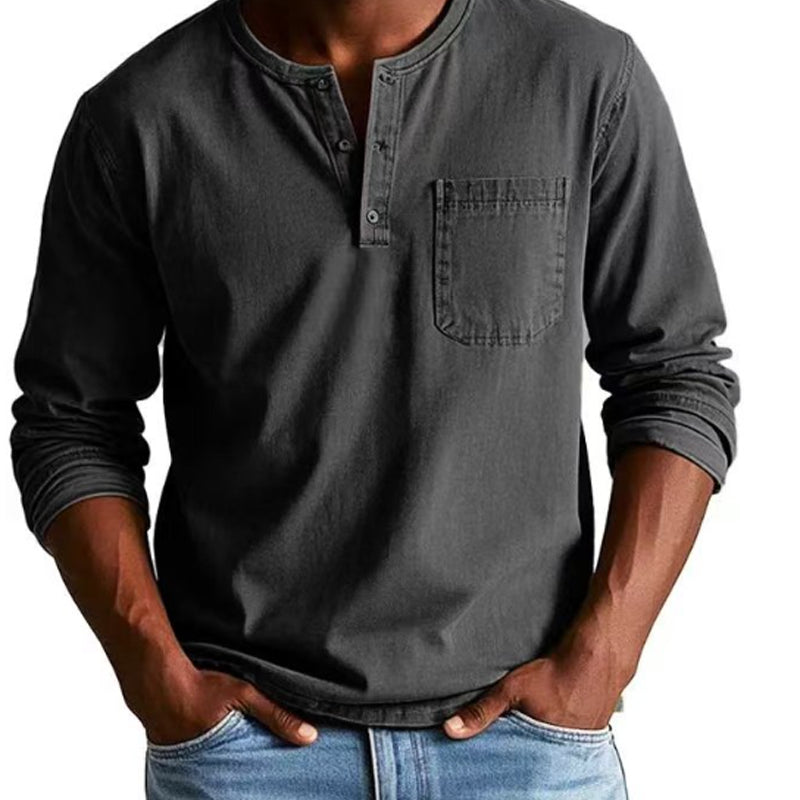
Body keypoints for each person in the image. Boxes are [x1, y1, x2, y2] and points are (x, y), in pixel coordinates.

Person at [9, 0, 740, 797]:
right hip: (248, 756)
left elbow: (675, 375)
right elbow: (70, 422)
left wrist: (602, 657)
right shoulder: (139, 115)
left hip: (526, 752)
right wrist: (155, 675)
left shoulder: (585, 75)